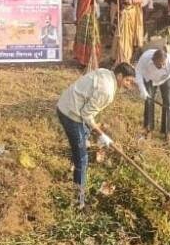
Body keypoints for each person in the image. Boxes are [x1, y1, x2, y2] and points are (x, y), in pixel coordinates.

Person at [56, 63, 136, 208]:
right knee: (83, 159)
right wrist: (102, 135)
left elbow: (87, 112)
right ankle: (78, 201)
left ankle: (73, 164)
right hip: (71, 115)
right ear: (119, 76)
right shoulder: (107, 91)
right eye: (127, 81)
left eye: (131, 82)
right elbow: (86, 114)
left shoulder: (105, 72)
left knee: (84, 135)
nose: (129, 85)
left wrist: (94, 129)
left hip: (65, 104)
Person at [135, 49, 170, 144]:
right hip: (149, 77)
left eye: (164, 64)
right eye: (160, 65)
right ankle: (149, 129)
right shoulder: (145, 58)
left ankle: (167, 132)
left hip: (166, 78)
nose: (163, 66)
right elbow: (138, 72)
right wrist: (142, 90)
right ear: (153, 61)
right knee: (149, 101)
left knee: (168, 102)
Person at [68, 0, 105, 68]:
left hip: (92, 15)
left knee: (92, 37)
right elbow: (72, 1)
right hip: (81, 15)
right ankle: (82, 61)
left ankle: (93, 59)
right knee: (82, 37)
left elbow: (100, 0)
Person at [105, 0, 143, 65]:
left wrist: (131, 1)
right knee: (118, 35)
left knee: (128, 37)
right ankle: (116, 57)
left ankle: (126, 57)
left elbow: (140, 0)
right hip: (117, 13)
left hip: (130, 15)